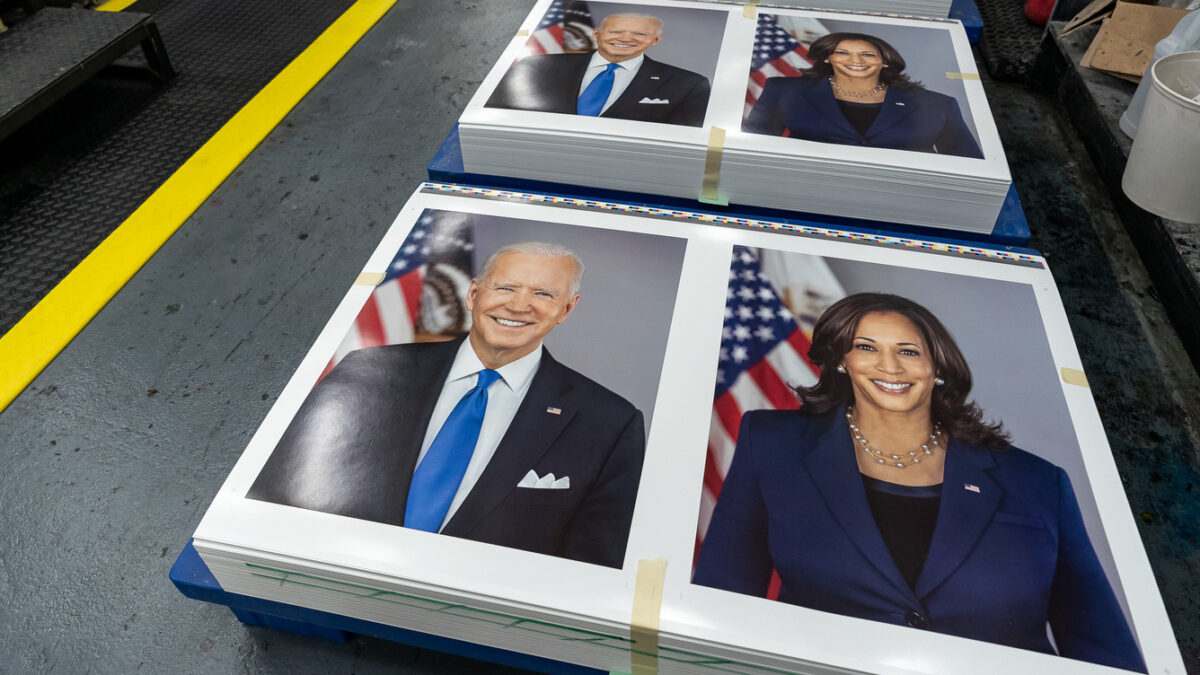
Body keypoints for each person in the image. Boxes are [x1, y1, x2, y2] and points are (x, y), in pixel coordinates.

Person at [693, 293, 1145, 671]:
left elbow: (1102, 647)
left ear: (938, 367)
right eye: (866, 347)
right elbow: (722, 598)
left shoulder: (1038, 481)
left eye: (908, 351)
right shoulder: (772, 445)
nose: (889, 366)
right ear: (842, 362)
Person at [248, 242, 646, 569]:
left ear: (567, 308)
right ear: (474, 294)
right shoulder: (369, 369)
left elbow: (593, 566)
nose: (520, 306)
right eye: (506, 288)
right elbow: (279, 495)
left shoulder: (610, 422)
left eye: (544, 294)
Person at [743, 32, 984, 158]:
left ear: (885, 61)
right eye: (843, 53)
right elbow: (752, 146)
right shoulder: (784, 90)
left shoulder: (937, 105)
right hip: (801, 191)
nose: (855, 60)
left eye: (868, 54)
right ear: (829, 57)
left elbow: (969, 166)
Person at [485, 13, 710, 127]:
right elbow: (495, 117)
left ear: (656, 39)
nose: (626, 38)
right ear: (596, 34)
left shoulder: (689, 84)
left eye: (640, 34)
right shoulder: (537, 66)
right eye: (615, 31)